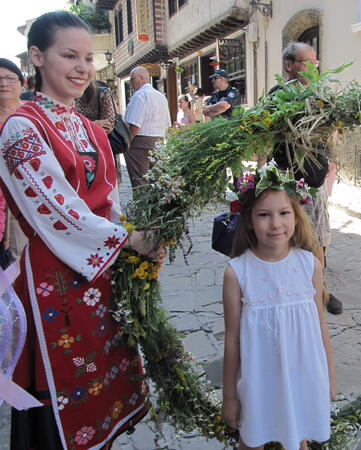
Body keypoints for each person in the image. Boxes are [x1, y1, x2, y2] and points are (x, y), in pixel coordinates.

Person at [0, 11, 165, 449]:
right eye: (68, 56)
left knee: (104, 379)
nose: (82, 68)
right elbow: (56, 209)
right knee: (63, 392)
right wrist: (128, 241)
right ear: (37, 57)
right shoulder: (22, 127)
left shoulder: (88, 126)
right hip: (54, 277)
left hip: (101, 269)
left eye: (88, 58)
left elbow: (106, 203)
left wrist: (132, 242)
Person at [221, 163, 335, 450]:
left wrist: (329, 377)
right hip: (259, 380)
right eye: (264, 215)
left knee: (298, 440)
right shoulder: (237, 272)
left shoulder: (309, 264)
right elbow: (232, 339)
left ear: (296, 216)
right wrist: (230, 397)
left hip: (302, 375)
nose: (275, 224)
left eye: (284, 213)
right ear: (248, 220)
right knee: (252, 441)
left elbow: (320, 326)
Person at [268, 42, 343, 315]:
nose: (314, 67)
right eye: (307, 62)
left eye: (316, 62)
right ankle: (293, 293)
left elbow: (324, 133)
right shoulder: (279, 95)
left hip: (314, 179)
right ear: (289, 65)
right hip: (290, 181)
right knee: (293, 240)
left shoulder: (316, 93)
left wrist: (329, 157)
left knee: (320, 240)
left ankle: (320, 291)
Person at [123, 66, 171, 188]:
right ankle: (155, 206)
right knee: (156, 181)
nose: (131, 83)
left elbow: (135, 124)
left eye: (133, 79)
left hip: (140, 143)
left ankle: (142, 206)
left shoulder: (140, 95)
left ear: (141, 78)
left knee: (140, 181)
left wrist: (127, 142)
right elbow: (167, 123)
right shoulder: (161, 96)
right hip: (158, 141)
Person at [0, 58, 28, 266]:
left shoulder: (34, 113)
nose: (3, 83)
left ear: (21, 82)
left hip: (32, 192)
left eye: (10, 78)